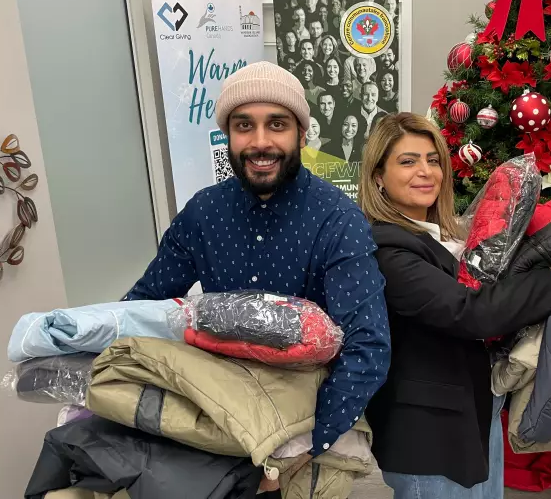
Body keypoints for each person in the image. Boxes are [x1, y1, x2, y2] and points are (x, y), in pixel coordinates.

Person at [124, 61, 391, 493]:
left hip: (312, 421)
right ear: (228, 135)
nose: (260, 142)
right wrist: (85, 346)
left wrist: (303, 448)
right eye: (244, 125)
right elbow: (144, 303)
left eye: (277, 125)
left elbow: (368, 347)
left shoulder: (338, 220)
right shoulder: (203, 213)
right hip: (220, 414)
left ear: (301, 134)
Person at [358, 113, 551, 499]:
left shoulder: (435, 233)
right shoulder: (387, 248)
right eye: (408, 161)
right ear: (378, 177)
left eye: (433, 160)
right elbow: (469, 312)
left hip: (467, 413)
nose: (426, 172)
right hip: (429, 436)